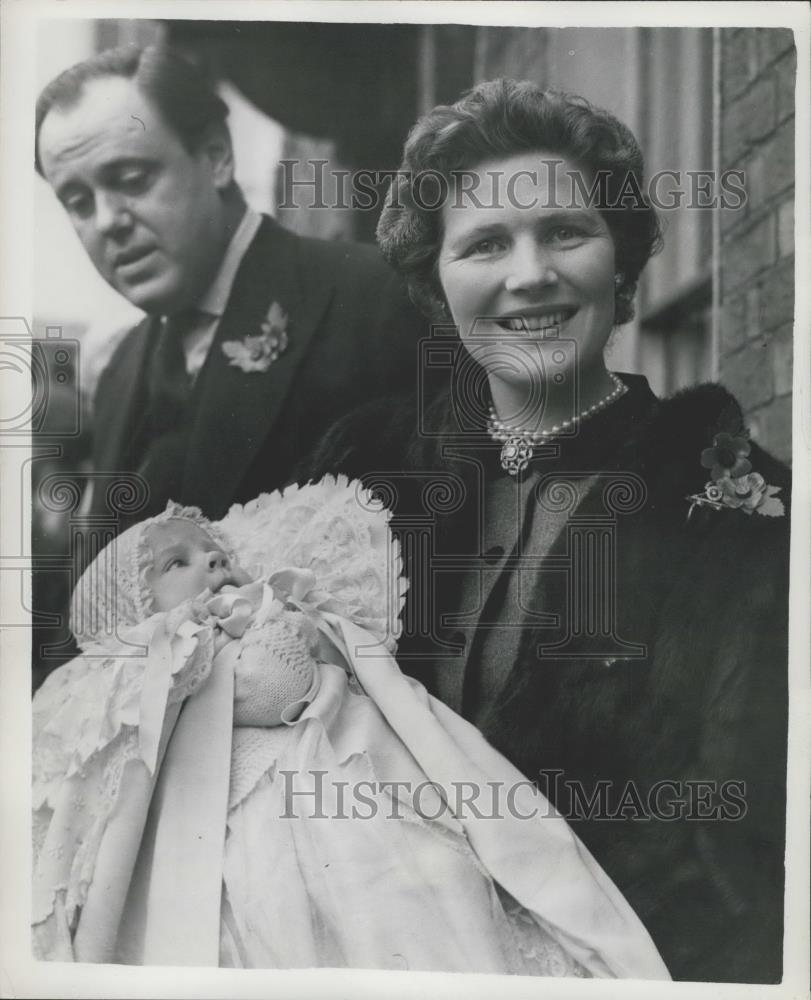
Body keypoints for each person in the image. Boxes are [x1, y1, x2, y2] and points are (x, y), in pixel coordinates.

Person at [304, 79, 791, 984]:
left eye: (565, 232)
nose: (529, 274)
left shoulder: (742, 518)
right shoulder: (365, 480)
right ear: (436, 281)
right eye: (485, 243)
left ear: (622, 264)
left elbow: (750, 860)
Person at [31, 479, 669, 978]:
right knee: (288, 916)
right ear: (134, 612)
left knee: (424, 892)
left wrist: (301, 629)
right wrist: (256, 638)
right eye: (178, 563)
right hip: (259, 815)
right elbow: (268, 687)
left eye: (216, 552)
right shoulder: (168, 665)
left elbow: (326, 675)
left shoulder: (265, 614)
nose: (214, 564)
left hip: (346, 777)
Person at [34, 43, 424, 525]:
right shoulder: (120, 371)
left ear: (217, 157)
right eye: (78, 202)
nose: (108, 220)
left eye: (132, 179)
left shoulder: (375, 300)